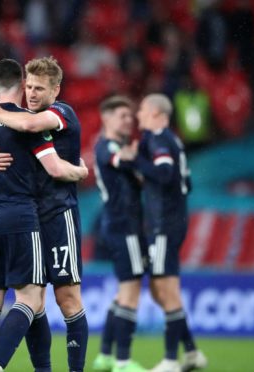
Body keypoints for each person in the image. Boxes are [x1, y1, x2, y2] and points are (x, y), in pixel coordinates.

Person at [0, 58, 88, 372]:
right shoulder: (20, 120)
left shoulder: (59, 113)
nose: (34, 94)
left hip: (58, 214)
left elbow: (31, 127)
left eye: (40, 88)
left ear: (56, 89)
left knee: (66, 299)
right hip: (29, 217)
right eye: (30, 87)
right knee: (34, 301)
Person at [118, 94, 207, 372]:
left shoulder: (159, 139)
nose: (139, 114)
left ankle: (171, 359)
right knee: (161, 290)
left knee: (166, 289)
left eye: (142, 109)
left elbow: (166, 173)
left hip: (165, 225)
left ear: (156, 112)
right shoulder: (171, 140)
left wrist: (134, 162)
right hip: (170, 221)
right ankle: (191, 352)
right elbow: (185, 182)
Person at [91, 96, 146, 372]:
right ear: (106, 118)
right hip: (125, 226)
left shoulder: (113, 146)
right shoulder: (106, 146)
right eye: (123, 115)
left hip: (119, 225)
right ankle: (123, 361)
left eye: (130, 116)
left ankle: (105, 356)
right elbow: (116, 158)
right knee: (131, 290)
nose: (129, 120)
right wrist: (135, 160)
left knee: (122, 292)